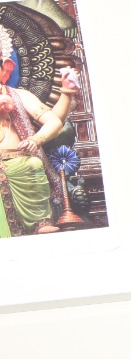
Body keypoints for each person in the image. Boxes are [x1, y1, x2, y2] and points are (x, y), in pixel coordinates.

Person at [0, 35, 76, 238]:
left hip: (20, 162)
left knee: (32, 165)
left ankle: (40, 221)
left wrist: (35, 140)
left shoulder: (20, 96)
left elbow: (54, 122)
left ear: (6, 68)